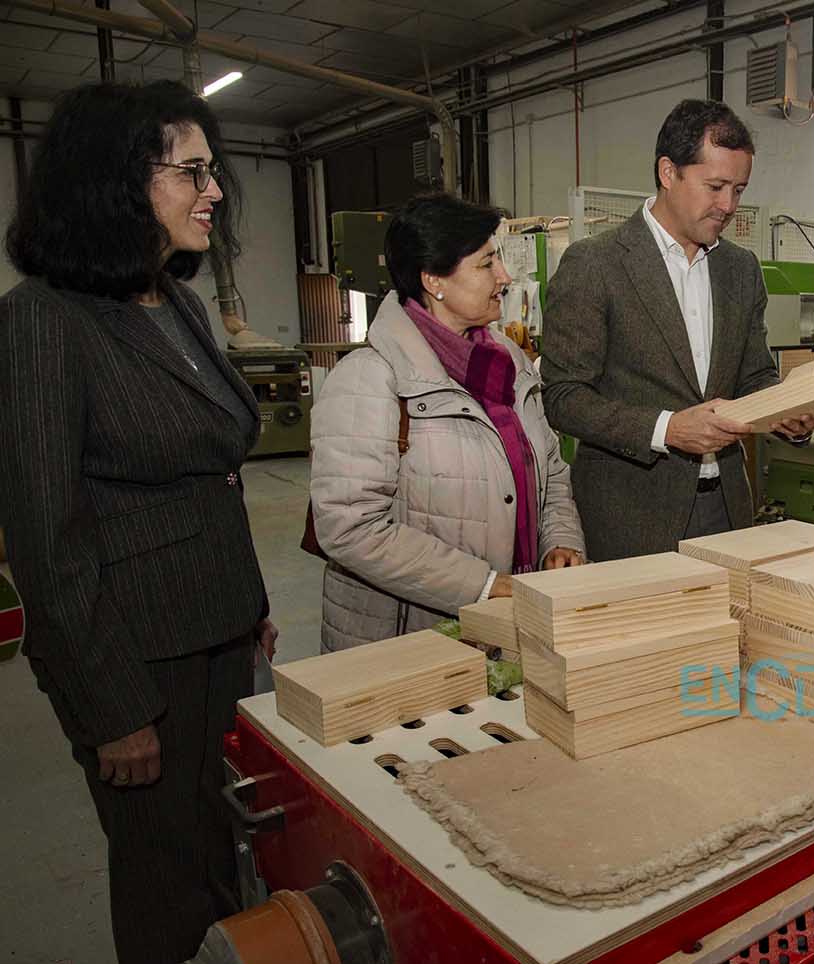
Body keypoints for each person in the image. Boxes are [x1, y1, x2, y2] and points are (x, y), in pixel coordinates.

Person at [0, 81, 276, 963]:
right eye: (193, 170)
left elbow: (208, 478)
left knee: (231, 857)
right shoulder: (43, 321)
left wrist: (249, 605)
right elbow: (46, 540)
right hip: (141, 665)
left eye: (212, 170)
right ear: (118, 183)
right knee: (168, 886)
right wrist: (109, 706)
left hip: (222, 637)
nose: (216, 190)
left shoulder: (176, 305)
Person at [541, 99, 814, 561]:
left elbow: (753, 376)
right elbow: (564, 398)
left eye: (739, 189)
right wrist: (666, 429)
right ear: (668, 173)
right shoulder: (596, 264)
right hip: (631, 517)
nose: (729, 205)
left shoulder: (740, 268)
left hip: (728, 509)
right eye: (715, 187)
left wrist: (784, 411)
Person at [310, 193, 585, 651]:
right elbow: (349, 527)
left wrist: (560, 542)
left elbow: (552, 472)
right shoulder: (370, 378)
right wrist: (483, 585)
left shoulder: (508, 363)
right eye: (486, 264)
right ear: (434, 279)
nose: (505, 276)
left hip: (514, 621)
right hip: (413, 641)